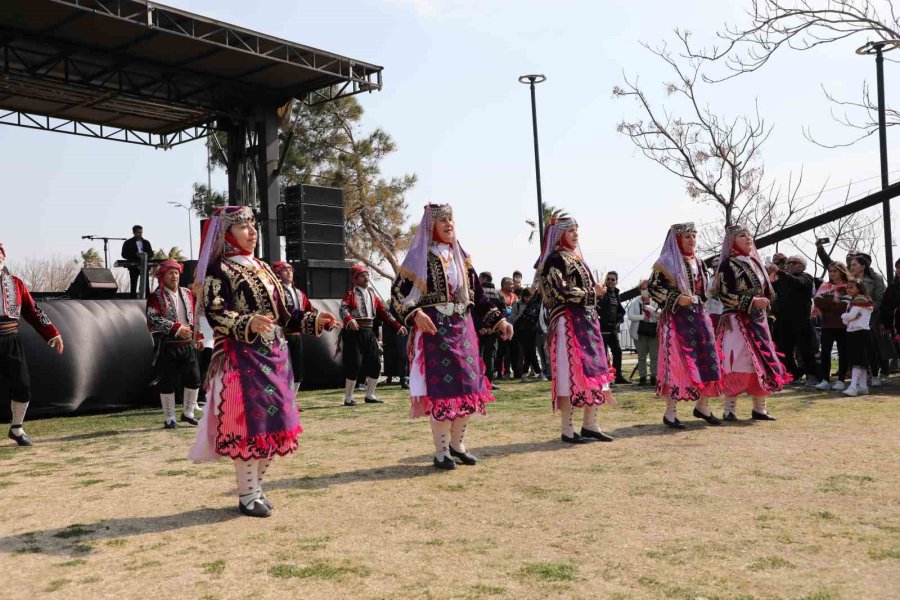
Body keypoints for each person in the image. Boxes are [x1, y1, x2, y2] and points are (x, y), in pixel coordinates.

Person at [188, 206, 339, 518]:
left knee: (277, 424)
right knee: (250, 427)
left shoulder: (263, 268)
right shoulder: (219, 270)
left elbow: (286, 314)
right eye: (243, 227)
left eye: (253, 225)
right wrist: (247, 322)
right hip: (242, 359)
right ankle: (247, 495)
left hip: (276, 356)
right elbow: (215, 311)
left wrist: (315, 318)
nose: (252, 232)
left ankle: (255, 488)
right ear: (226, 234)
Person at [391, 204, 512, 470]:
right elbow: (398, 296)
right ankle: (441, 451)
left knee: (469, 388)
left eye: (451, 219)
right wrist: (416, 315)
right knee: (444, 392)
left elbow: (478, 297)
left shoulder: (462, 257)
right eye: (442, 220)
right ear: (430, 226)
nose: (449, 224)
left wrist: (499, 319)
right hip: (435, 330)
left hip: (463, 327)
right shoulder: (418, 259)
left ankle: (458, 445)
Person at [535, 216, 615, 443]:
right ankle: (567, 428)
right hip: (567, 322)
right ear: (559, 234)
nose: (575, 233)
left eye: (576, 229)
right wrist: (592, 293)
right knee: (568, 372)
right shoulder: (554, 259)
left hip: (587, 321)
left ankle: (591, 424)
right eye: (570, 230)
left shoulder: (577, 259)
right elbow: (560, 291)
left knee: (595, 370)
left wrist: (593, 293)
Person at [712, 226, 790, 421]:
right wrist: (751, 301)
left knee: (762, 358)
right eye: (742, 235)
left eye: (748, 234)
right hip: (737, 320)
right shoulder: (727, 265)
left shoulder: (755, 262)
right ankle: (729, 409)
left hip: (759, 319)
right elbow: (724, 294)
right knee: (736, 358)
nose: (748, 238)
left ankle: (760, 408)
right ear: (732, 241)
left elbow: (767, 291)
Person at [649, 222, 722, 428]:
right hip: (675, 318)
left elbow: (702, 291)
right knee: (677, 363)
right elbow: (654, 288)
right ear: (677, 239)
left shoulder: (699, 262)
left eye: (694, 236)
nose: (692, 240)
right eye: (687, 236)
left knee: (708, 358)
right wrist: (675, 298)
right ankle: (670, 412)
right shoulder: (665, 262)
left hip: (699, 315)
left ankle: (703, 406)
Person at [0, 243, 64, 446]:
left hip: (10, 338)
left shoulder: (16, 283)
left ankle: (17, 429)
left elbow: (33, 310)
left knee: (23, 384)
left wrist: (52, 333)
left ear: (3, 257)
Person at [146, 259, 203, 428]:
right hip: (168, 345)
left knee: (194, 380)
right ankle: (170, 418)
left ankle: (188, 413)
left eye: (176, 273)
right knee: (168, 382)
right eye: (170, 273)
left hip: (187, 344)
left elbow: (194, 317)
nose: (174, 276)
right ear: (162, 276)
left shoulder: (186, 293)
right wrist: (176, 328)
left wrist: (198, 336)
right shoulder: (155, 297)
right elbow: (152, 318)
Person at [340, 264, 406, 406]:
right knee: (354, 365)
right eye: (363, 275)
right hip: (354, 333)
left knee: (375, 363)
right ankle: (348, 398)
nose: (366, 278)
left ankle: (370, 395)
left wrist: (398, 326)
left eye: (367, 275)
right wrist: (349, 319)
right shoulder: (350, 294)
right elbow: (343, 308)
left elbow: (385, 313)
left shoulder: (372, 294)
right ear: (355, 279)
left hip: (369, 332)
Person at [770, 255, 818, 386]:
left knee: (805, 349)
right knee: (784, 350)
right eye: (788, 262)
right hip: (783, 320)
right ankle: (793, 374)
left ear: (802, 266)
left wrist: (779, 271)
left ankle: (812, 375)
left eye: (794, 263)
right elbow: (768, 288)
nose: (789, 265)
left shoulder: (806, 277)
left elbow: (797, 283)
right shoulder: (782, 280)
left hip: (801, 320)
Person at [272, 261, 312, 406]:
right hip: (281, 336)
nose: (289, 273)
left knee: (297, 370)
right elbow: (288, 311)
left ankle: (291, 401)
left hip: (296, 336)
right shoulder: (276, 292)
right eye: (285, 270)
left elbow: (310, 309)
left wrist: (324, 320)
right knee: (281, 370)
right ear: (278, 274)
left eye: (291, 270)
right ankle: (281, 401)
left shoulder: (300, 293)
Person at [848, 254, 891, 386]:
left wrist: (865, 309)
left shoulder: (875, 278)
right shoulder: (850, 280)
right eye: (851, 264)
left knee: (875, 346)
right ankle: (862, 376)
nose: (851, 267)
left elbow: (880, 298)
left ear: (863, 266)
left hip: (872, 317)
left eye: (854, 264)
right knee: (859, 348)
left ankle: (879, 373)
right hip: (854, 318)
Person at [813, 262, 851, 391]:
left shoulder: (848, 286)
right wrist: (834, 301)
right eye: (830, 271)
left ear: (842, 271)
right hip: (827, 325)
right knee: (825, 352)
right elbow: (817, 301)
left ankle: (841, 380)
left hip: (843, 325)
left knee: (843, 352)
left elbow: (844, 306)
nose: (832, 273)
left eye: (835, 271)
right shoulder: (825, 285)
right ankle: (825, 380)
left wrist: (827, 303)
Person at [841, 278, 874, 397]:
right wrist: (847, 317)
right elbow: (847, 321)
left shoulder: (860, 300)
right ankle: (863, 386)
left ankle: (853, 386)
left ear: (859, 288)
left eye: (851, 287)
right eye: (847, 287)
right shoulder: (853, 301)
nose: (848, 289)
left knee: (857, 361)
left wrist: (844, 316)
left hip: (859, 333)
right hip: (853, 332)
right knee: (861, 361)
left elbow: (850, 316)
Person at [626, 279, 659, 386]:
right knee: (641, 357)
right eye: (643, 288)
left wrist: (651, 310)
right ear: (640, 289)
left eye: (647, 288)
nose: (645, 291)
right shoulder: (636, 302)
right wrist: (642, 317)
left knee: (655, 356)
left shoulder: (656, 301)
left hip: (654, 332)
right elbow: (630, 316)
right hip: (640, 332)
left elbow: (660, 315)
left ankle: (654, 377)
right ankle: (643, 377)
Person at [475, 271, 504, 389]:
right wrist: (495, 327)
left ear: (483, 279)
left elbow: (474, 311)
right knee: (490, 356)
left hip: (479, 330)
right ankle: (488, 382)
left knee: (477, 355)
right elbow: (502, 311)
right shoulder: (498, 294)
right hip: (494, 329)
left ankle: (477, 382)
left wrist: (480, 327)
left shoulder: (479, 293)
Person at [598, 271, 628, 385]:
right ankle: (604, 378)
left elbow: (620, 310)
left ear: (616, 281)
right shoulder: (601, 292)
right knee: (603, 354)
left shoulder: (616, 293)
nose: (610, 281)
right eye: (608, 279)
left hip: (612, 328)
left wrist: (618, 319)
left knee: (617, 351)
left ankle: (618, 376)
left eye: (612, 279)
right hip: (601, 328)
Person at [121, 225, 154, 298]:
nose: (140, 234)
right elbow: (123, 254)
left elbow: (151, 253)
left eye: (141, 232)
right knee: (133, 283)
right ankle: (132, 298)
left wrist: (145, 254)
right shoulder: (128, 242)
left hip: (145, 266)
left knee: (146, 284)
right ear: (134, 232)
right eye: (138, 232)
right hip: (133, 266)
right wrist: (135, 255)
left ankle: (147, 298)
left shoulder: (146, 242)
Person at [497, 277, 519, 379]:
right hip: (502, 327)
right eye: (510, 284)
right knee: (502, 351)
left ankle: (515, 371)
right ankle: (500, 373)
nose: (512, 286)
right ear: (504, 285)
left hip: (513, 327)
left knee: (514, 350)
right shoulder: (499, 294)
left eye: (512, 284)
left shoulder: (514, 296)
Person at [706, 257, 724, 330]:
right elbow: (708, 294)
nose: (715, 268)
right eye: (713, 267)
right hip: (711, 311)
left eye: (717, 266)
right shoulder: (710, 279)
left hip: (722, 311)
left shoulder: (726, 277)